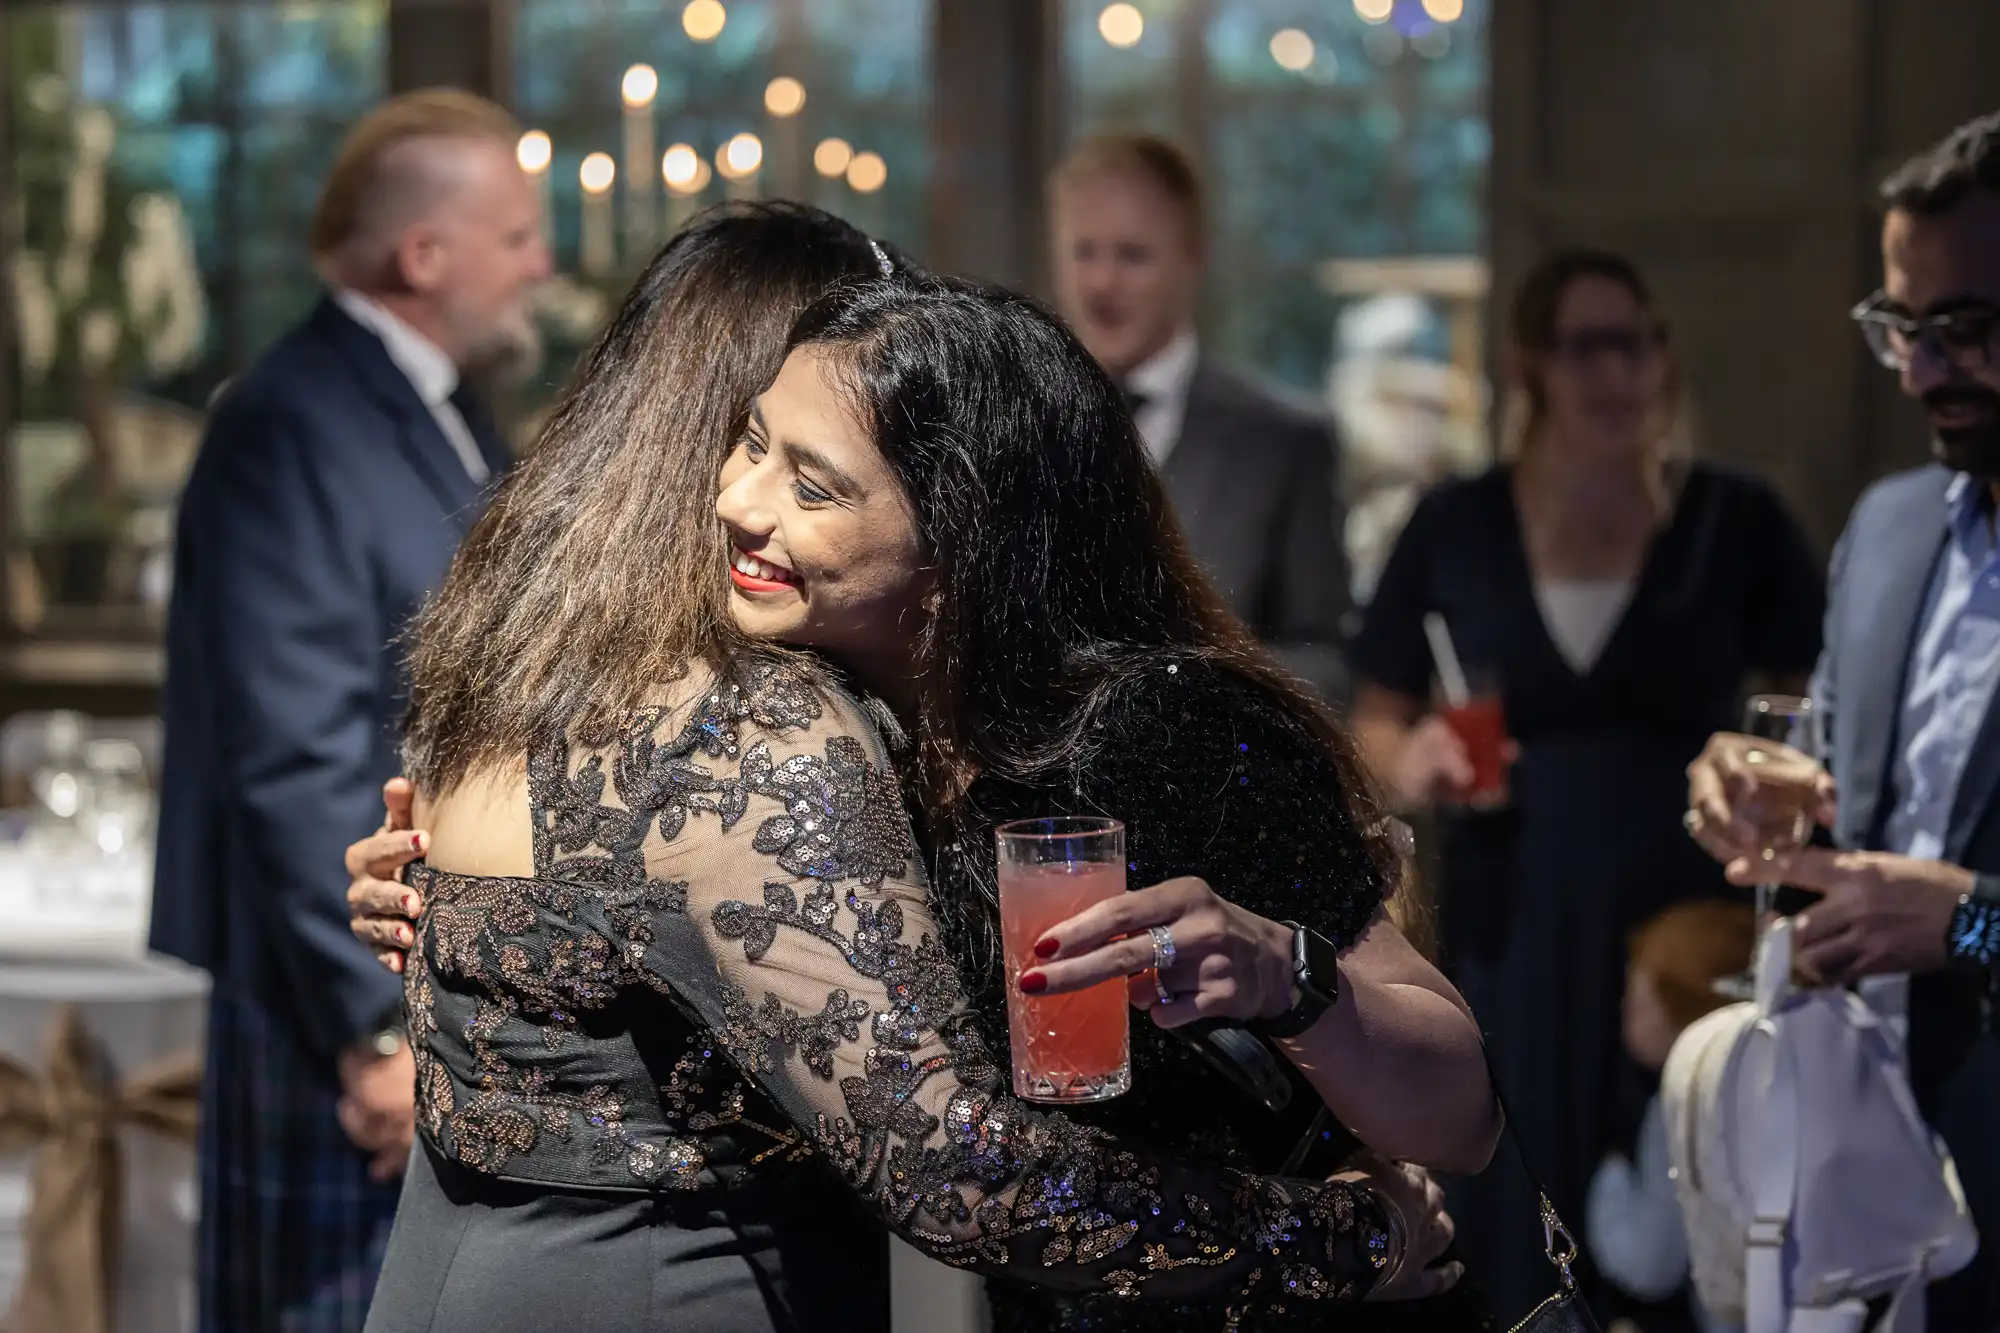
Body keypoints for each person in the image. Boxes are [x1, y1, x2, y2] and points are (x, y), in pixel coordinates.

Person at [343, 204, 1495, 1332]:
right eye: (748, 442)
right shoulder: (817, 733)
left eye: (813, 478)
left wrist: (1286, 982)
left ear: (955, 529)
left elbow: (1461, 1111)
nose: (733, 500)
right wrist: (480, 909)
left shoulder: (1153, 723)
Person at [1348, 247, 1825, 1321]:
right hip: (1511, 909)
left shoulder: (1730, 519)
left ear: (1661, 360)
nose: (1613, 373)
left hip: (1687, 919)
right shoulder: (1455, 523)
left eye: (1634, 344)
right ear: (1527, 367)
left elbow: (1814, 706)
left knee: (1682, 1193)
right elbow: (1377, 716)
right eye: (1583, 347)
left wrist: (1774, 773)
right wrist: (1412, 755)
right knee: (1512, 1191)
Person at [150, 88, 549, 1333]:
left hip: (411, 976)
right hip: (325, 995)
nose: (543, 264)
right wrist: (375, 1028)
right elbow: (293, 751)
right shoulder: (288, 419)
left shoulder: (439, 400)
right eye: (518, 235)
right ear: (422, 256)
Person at [1684, 110, 2000, 1331]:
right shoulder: (1889, 526)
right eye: (1898, 328)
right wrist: (1762, 776)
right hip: (1860, 1159)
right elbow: (1847, 772)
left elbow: (1949, 900)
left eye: (1963, 329)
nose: (1922, 372)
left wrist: (1968, 924)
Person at [1047, 132, 1352, 702]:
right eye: (1084, 252)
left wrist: (1197, 691)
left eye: (1132, 255)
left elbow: (1328, 664)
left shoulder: (1285, 443)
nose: (1102, 284)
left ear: (1193, 258)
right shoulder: (1019, 429)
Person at [1585, 901, 1752, 1333]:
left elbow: (1648, 1262)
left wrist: (1611, 1175)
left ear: (1680, 1001)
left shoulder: (1684, 1094)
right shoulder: (1791, 1068)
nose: (1623, 1013)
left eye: (1635, 997)